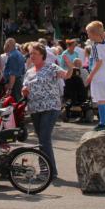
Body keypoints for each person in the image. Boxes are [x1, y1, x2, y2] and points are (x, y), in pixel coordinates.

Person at [21, 43, 66, 178]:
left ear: (42, 55)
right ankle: (48, 170)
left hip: (51, 107)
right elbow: (24, 89)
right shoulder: (29, 71)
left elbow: (66, 75)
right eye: (30, 54)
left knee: (44, 138)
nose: (32, 56)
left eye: (35, 53)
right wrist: (24, 91)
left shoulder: (51, 67)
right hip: (35, 108)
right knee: (42, 140)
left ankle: (48, 172)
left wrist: (69, 66)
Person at [85, 21, 105, 130]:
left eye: (88, 33)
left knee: (100, 99)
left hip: (98, 76)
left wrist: (90, 76)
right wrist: (102, 33)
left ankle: (103, 123)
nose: (88, 35)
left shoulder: (95, 47)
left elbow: (98, 62)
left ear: (94, 34)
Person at [3, 38, 26, 102]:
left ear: (8, 45)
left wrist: (10, 88)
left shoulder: (13, 56)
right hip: (18, 82)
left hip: (14, 84)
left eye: (5, 44)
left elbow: (13, 74)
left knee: (14, 103)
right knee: (17, 101)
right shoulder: (19, 53)